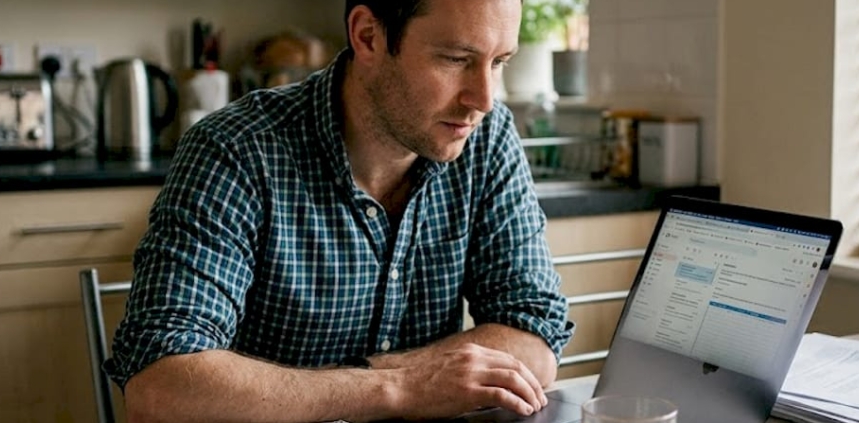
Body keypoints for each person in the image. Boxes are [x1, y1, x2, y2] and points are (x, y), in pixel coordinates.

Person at [105, 0, 574, 422]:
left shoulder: (487, 140)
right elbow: (160, 387)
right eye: (456, 59)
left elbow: (534, 338)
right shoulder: (236, 151)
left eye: (499, 63)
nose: (484, 99)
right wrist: (403, 386)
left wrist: (365, 383)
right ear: (368, 36)